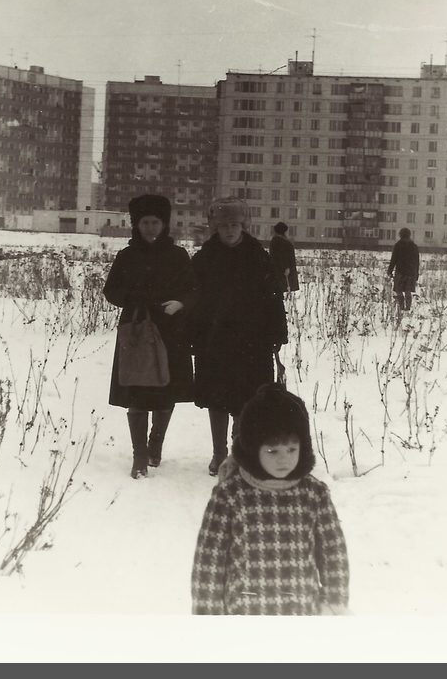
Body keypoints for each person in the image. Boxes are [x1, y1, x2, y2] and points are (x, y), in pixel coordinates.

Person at [191, 383, 349, 615]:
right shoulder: (230, 495)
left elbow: (333, 552)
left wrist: (334, 603)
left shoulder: (314, 494)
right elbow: (209, 561)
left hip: (301, 612)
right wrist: (209, 617)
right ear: (254, 449)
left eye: (292, 449)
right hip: (245, 614)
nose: (283, 459)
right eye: (272, 451)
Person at [189, 198, 288, 476]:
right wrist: (193, 334)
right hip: (215, 339)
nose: (230, 230)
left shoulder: (259, 256)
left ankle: (238, 449)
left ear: (244, 225)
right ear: (215, 228)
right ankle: (219, 452)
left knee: (248, 398)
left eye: (235, 224)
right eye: (224, 225)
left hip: (252, 340)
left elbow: (274, 298)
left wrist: (277, 333)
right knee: (217, 397)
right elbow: (193, 299)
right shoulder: (204, 258)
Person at [104, 194, 197, 479]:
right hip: (137, 330)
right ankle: (139, 455)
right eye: (145, 222)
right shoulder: (127, 256)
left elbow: (193, 290)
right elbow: (111, 292)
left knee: (165, 392)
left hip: (171, 330)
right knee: (137, 392)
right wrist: (135, 300)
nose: (150, 227)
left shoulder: (178, 256)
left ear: (164, 224)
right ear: (136, 224)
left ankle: (155, 444)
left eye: (156, 222)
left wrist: (180, 303)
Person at [386, 227, 420, 313]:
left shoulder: (398, 245)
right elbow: (417, 262)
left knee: (399, 290)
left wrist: (389, 271)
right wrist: (416, 274)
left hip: (400, 272)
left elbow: (393, 259)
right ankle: (408, 308)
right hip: (411, 273)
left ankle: (401, 307)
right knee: (408, 291)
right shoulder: (414, 246)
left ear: (400, 235)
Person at [268, 222, 299, 294]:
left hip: (279, 269)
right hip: (282, 270)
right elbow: (281, 256)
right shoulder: (281, 241)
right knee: (281, 287)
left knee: (279, 288)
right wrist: (286, 267)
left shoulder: (276, 241)